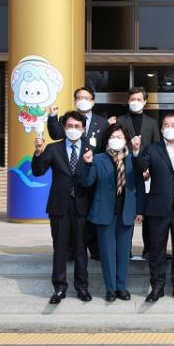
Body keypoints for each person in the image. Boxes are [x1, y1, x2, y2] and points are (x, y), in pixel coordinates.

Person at [31, 111, 93, 304]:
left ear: (83, 128)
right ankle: (59, 288)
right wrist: (38, 152)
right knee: (60, 248)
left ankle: (82, 287)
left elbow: (93, 177)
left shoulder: (91, 149)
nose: (73, 129)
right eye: (69, 126)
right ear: (64, 128)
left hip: (82, 206)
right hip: (59, 206)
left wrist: (89, 164)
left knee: (81, 249)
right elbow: (38, 171)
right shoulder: (53, 148)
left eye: (77, 126)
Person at [79, 123, 144, 302]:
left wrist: (140, 210)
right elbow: (87, 182)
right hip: (104, 213)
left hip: (126, 212)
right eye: (112, 137)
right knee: (107, 254)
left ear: (126, 140)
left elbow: (139, 186)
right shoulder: (98, 158)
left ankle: (121, 287)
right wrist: (87, 164)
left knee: (123, 253)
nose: (116, 140)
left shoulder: (132, 159)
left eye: (119, 137)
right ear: (107, 140)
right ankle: (110, 289)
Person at [48, 86, 110, 261]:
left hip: (93, 174)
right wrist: (52, 116)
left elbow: (106, 147)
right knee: (71, 215)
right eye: (79, 97)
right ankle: (70, 250)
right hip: (71, 176)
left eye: (86, 97)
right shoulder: (67, 120)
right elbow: (55, 134)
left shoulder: (102, 122)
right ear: (75, 101)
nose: (83, 100)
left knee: (92, 214)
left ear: (93, 101)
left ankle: (94, 248)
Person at [136, 114, 174, 302]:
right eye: (166, 125)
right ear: (161, 130)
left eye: (173, 125)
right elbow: (140, 166)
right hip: (158, 207)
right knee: (156, 249)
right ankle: (157, 286)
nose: (169, 128)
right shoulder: (152, 149)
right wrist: (136, 151)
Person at [115, 86, 159, 259]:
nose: (135, 102)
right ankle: (125, 250)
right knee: (127, 211)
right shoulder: (120, 121)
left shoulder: (152, 123)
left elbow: (156, 147)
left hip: (147, 174)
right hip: (125, 172)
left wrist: (151, 170)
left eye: (139, 99)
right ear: (128, 101)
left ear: (145, 101)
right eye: (132, 99)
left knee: (147, 211)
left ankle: (148, 250)